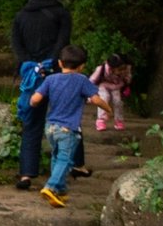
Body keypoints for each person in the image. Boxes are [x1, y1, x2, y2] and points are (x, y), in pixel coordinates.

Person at [10, 0, 72, 190]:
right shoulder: (62, 14)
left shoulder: (21, 16)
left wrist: (30, 64)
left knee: (32, 124)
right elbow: (63, 42)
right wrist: (50, 62)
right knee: (66, 120)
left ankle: (26, 174)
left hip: (31, 75)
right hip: (56, 72)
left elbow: (16, 44)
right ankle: (67, 169)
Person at [29, 45, 111, 207]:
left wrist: (32, 103)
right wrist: (108, 109)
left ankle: (60, 190)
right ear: (82, 66)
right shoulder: (82, 80)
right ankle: (51, 186)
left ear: (60, 63)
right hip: (68, 128)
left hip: (50, 127)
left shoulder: (50, 79)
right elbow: (95, 99)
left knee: (57, 156)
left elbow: (35, 99)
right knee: (65, 159)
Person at [91, 53, 133, 132]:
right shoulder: (101, 69)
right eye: (120, 69)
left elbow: (128, 78)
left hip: (116, 86)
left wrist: (126, 83)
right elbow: (92, 80)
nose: (122, 71)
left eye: (124, 68)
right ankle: (101, 120)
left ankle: (119, 120)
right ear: (112, 68)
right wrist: (89, 93)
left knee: (118, 102)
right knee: (104, 98)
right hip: (103, 85)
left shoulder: (126, 69)